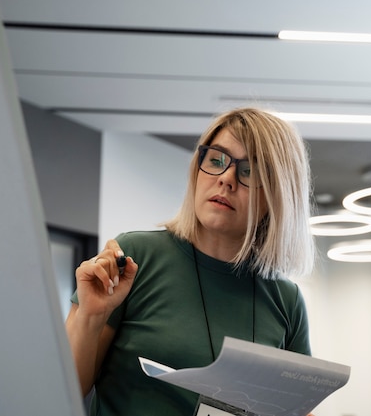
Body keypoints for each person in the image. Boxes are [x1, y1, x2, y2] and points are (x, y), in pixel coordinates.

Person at [65, 107, 315, 416]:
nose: (226, 179)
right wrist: (90, 315)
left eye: (249, 170)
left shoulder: (285, 299)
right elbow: (62, 388)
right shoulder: (134, 258)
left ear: (279, 195)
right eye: (216, 160)